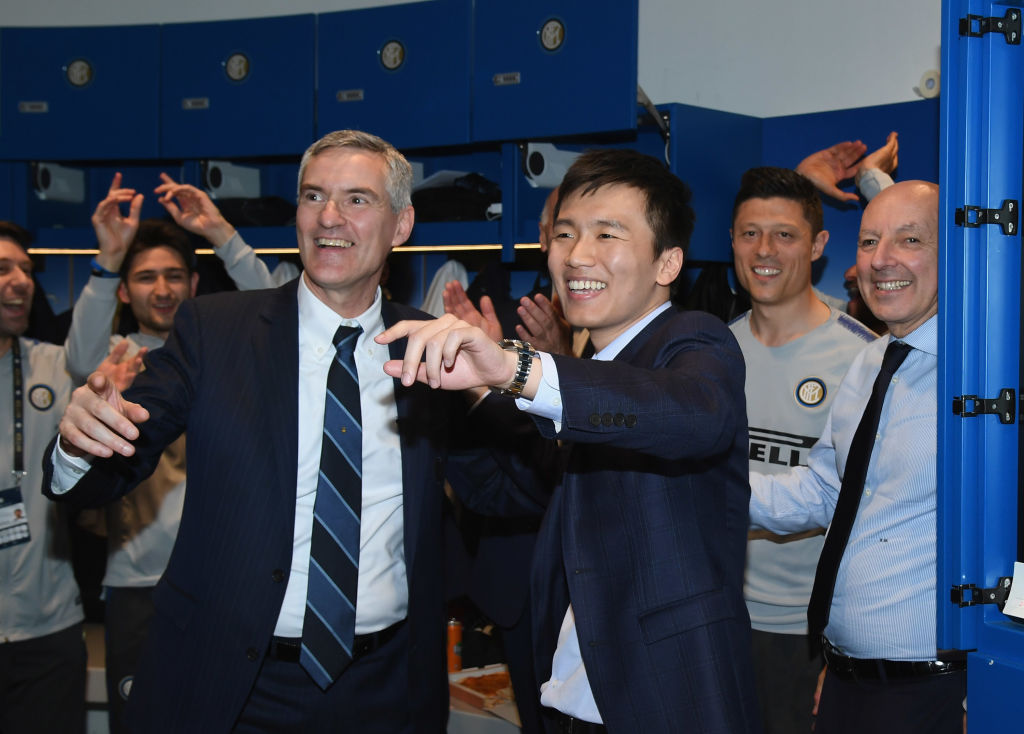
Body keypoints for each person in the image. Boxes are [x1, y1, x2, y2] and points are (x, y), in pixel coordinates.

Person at [46, 130, 456, 733]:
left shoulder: (433, 347)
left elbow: (502, 493)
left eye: (357, 199)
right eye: (313, 196)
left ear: (402, 224)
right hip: (233, 687)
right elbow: (120, 454)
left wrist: (511, 386)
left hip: (387, 687)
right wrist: (82, 441)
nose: (329, 217)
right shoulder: (216, 330)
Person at [381, 148, 760, 732]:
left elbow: (690, 414)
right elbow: (513, 491)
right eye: (565, 233)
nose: (577, 254)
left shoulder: (693, 339)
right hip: (575, 698)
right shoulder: (592, 372)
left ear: (667, 263)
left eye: (607, 233)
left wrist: (515, 368)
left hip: (666, 698)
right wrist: (475, 387)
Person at [748, 181, 964, 732]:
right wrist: (703, 482)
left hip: (937, 690)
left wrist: (994, 686)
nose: (881, 260)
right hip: (847, 677)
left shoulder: (982, 377)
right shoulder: (872, 360)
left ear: (954, 252)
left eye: (909, 240)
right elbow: (827, 490)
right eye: (869, 242)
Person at [728, 166, 876, 733]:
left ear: (817, 246)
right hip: (719, 617)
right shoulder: (712, 352)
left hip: (810, 633)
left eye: (784, 235)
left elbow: (877, 515)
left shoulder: (863, 359)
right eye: (750, 233)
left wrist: (843, 646)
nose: (764, 250)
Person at [0, 222, 86, 734]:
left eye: (26, 270)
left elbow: (88, 360)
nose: (21, 281)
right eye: (2, 269)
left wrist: (106, 268)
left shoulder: (50, 367)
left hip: (47, 630)